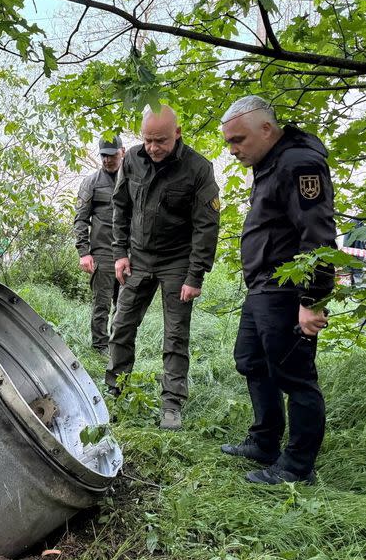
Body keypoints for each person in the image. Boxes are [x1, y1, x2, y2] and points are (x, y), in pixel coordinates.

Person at [219, 95, 336, 485]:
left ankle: (298, 467)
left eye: (238, 140)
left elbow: (317, 235)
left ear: (266, 129)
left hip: (288, 291)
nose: (233, 150)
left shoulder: (299, 163)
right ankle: (265, 441)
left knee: (295, 375)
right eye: (229, 143)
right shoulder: (269, 162)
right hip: (263, 287)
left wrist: (312, 300)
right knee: (251, 360)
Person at [105, 105, 220, 430]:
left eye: (161, 141)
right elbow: (121, 206)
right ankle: (116, 393)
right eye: (148, 140)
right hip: (138, 259)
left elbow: (206, 226)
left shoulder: (198, 169)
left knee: (175, 335)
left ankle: (171, 405)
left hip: (177, 263)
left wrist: (194, 275)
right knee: (122, 325)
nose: (154, 148)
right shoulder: (132, 160)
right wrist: (120, 253)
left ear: (178, 133)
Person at [74, 135, 125, 354]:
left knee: (124, 306)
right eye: (103, 155)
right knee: (101, 304)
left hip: (128, 254)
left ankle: (120, 346)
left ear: (122, 152)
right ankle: (100, 347)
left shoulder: (133, 180)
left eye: (111, 155)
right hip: (102, 254)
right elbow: (80, 219)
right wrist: (84, 252)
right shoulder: (91, 182)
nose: (107, 160)